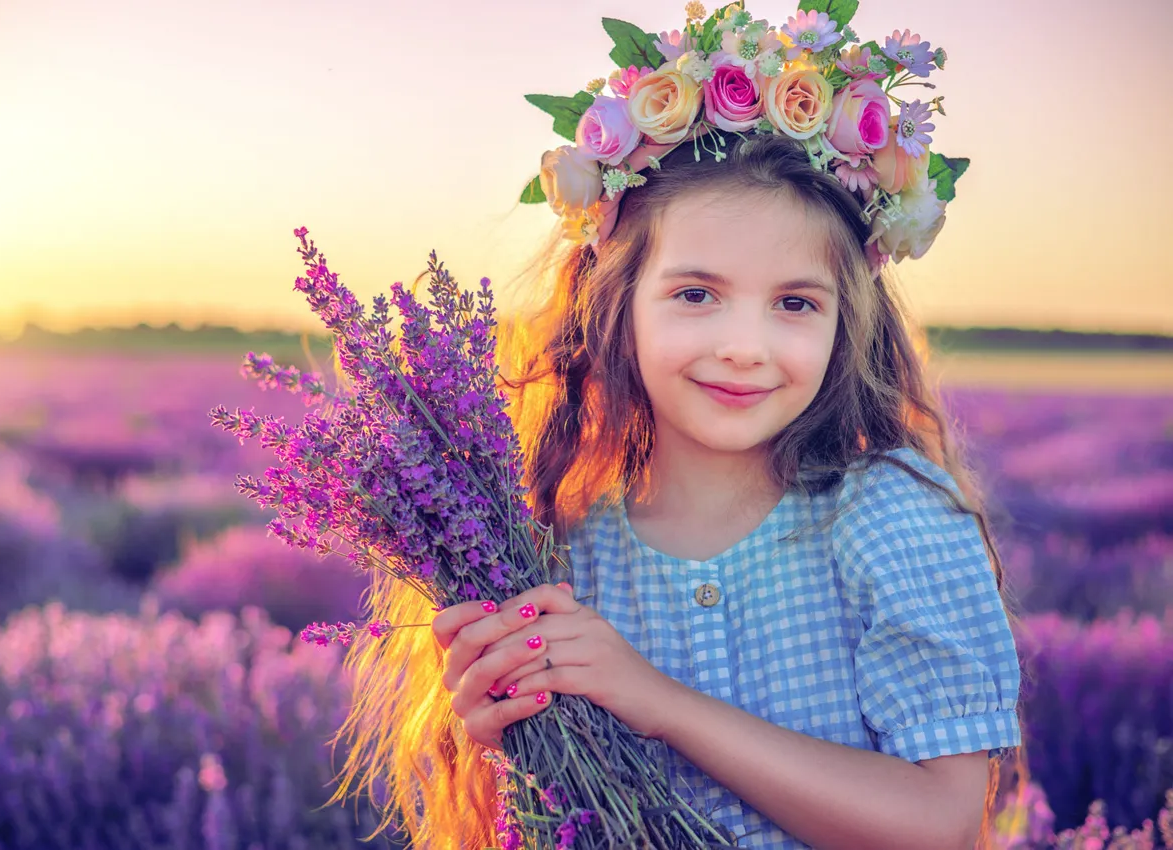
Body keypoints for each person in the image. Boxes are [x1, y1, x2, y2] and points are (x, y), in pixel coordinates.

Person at [327, 5, 1021, 849]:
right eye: (696, 295)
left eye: (795, 304)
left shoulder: (889, 520)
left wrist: (660, 702)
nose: (744, 348)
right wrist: (508, 733)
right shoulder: (560, 548)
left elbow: (938, 826)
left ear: (849, 322)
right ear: (617, 304)